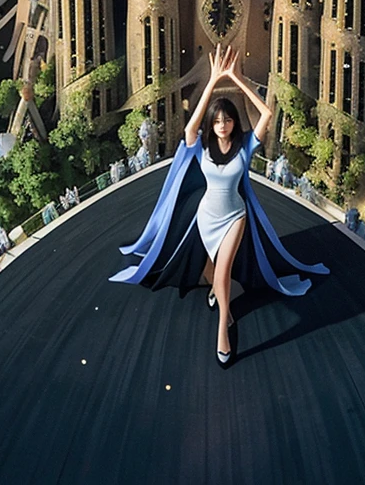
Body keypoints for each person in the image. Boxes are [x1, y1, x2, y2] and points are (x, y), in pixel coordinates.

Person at [111, 45, 328, 367]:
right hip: (206, 216)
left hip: (235, 217)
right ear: (212, 125)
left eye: (228, 119)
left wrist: (239, 80)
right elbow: (189, 129)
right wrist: (212, 81)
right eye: (218, 121)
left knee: (223, 270)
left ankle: (223, 327)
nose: (223, 124)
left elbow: (267, 113)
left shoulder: (245, 147)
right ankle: (217, 292)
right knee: (212, 269)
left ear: (233, 122)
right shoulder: (202, 149)